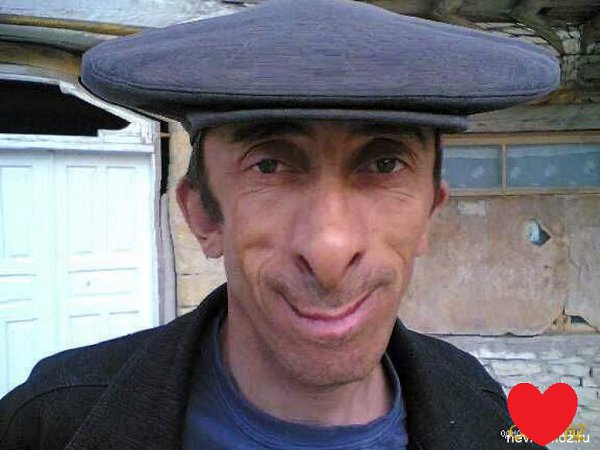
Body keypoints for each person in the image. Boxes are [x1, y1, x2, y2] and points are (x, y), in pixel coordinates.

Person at [0, 0, 559, 448]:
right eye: (268, 165)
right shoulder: (49, 422)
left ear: (429, 215)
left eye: (385, 163)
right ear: (203, 215)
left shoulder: (490, 415)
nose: (330, 249)